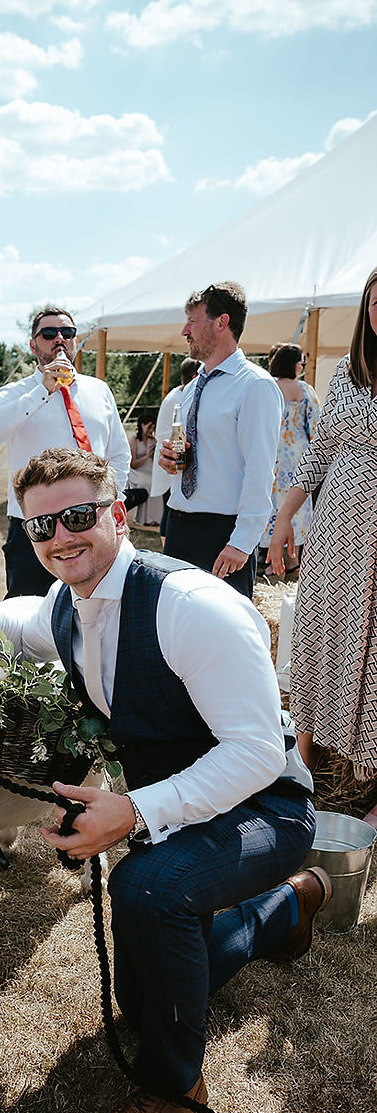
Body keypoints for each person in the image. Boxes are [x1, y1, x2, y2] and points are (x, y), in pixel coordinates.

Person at [0, 446, 327, 1113]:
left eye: (78, 516)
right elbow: (16, 620)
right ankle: (287, 910)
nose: (60, 537)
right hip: (183, 811)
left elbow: (258, 753)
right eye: (40, 527)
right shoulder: (66, 605)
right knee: (143, 1007)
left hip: (267, 807)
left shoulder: (192, 606)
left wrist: (134, 812)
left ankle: (175, 1089)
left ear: (118, 514)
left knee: (145, 889)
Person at [268, 269, 377, 805]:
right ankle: (305, 759)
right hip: (336, 523)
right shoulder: (347, 376)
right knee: (318, 627)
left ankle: (367, 765)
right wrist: (286, 516)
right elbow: (319, 451)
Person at [0, 306, 131, 598]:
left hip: (92, 522)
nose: (59, 339)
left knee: (101, 607)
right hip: (37, 527)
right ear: (33, 344)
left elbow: (119, 454)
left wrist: (112, 503)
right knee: (29, 608)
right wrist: (44, 390)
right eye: (49, 334)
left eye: (67, 333)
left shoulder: (98, 390)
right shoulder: (16, 392)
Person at [158, 281, 283, 599]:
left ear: (221, 322)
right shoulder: (191, 387)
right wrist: (171, 460)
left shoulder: (255, 386)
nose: (185, 330)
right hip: (178, 524)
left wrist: (242, 542)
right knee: (175, 637)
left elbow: (260, 471)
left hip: (222, 533)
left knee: (220, 642)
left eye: (193, 320)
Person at [258, 343, 319, 573]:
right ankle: (292, 560)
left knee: (272, 505)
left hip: (272, 453)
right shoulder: (304, 390)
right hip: (297, 458)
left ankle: (271, 561)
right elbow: (315, 426)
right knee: (296, 506)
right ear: (294, 364)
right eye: (301, 362)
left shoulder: (267, 387)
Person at [152, 358, 200, 542]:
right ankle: (166, 546)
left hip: (170, 455)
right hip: (170, 456)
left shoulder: (176, 394)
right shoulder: (180, 398)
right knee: (169, 508)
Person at [126, 410, 162, 529]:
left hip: (151, 469)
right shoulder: (134, 440)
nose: (152, 430)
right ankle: (142, 518)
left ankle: (154, 518)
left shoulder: (153, 440)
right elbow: (133, 464)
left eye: (153, 427)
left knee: (157, 483)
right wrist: (147, 455)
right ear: (142, 425)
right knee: (146, 482)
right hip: (138, 470)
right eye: (150, 426)